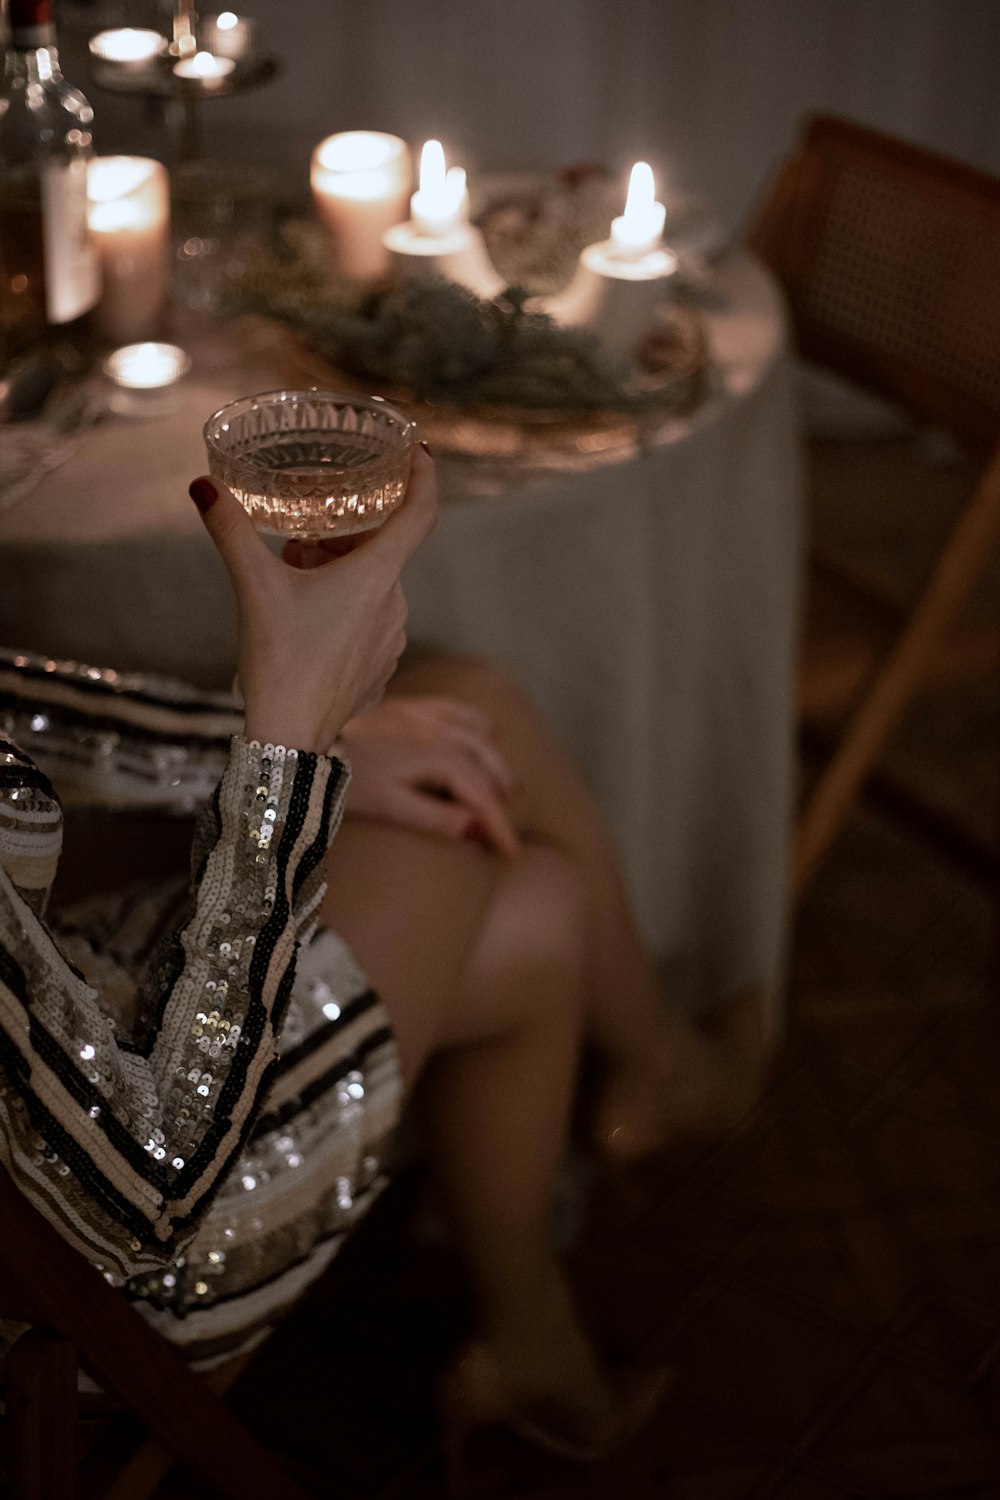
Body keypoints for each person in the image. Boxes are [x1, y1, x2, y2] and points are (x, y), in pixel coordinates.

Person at [0, 446, 768, 1476]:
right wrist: (287, 748)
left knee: (524, 874)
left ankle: (535, 1336)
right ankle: (662, 1081)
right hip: (98, 1261)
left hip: (64, 1017)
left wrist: (247, 738)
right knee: (497, 816)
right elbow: (145, 1193)